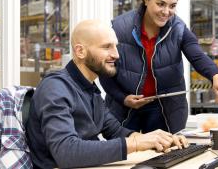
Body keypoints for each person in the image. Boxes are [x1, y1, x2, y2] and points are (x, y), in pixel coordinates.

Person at [26, 20, 188, 169]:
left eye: (115, 46)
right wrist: (137, 143)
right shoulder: (55, 87)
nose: (116, 55)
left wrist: (157, 139)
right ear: (80, 51)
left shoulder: (90, 89)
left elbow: (115, 131)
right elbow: (66, 152)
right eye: (106, 47)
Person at [99, 0, 218, 134]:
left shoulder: (178, 28)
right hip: (125, 107)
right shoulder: (118, 28)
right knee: (126, 156)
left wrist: (216, 75)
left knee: (166, 157)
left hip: (164, 110)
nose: (166, 12)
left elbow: (196, 54)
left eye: (172, 5)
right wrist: (123, 98)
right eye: (160, 4)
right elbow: (104, 69)